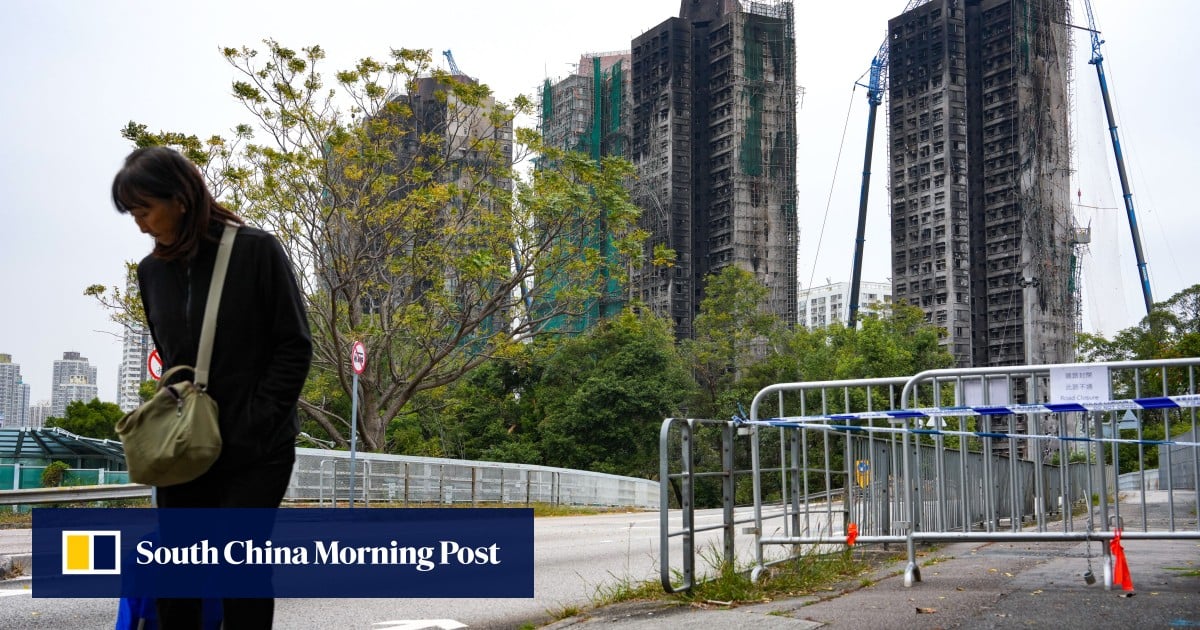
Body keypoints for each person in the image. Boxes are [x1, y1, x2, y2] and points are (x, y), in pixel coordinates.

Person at [112, 146, 313, 629]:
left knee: (238, 568)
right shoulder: (151, 272)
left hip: (256, 449)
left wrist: (253, 426)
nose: (140, 225)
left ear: (180, 199)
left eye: (145, 210)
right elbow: (172, 361)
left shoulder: (256, 251)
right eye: (133, 214)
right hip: (186, 447)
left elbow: (294, 346)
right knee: (177, 572)